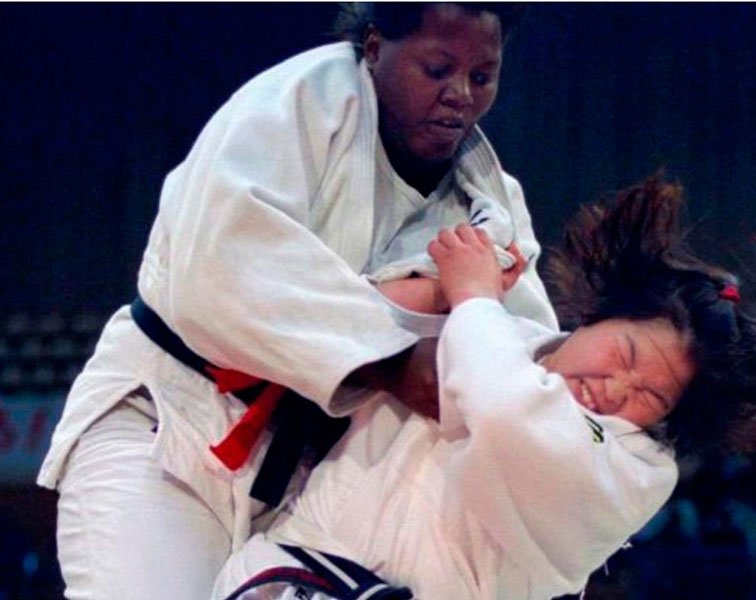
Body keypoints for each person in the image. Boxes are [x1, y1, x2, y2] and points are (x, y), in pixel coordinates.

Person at [36, 4, 559, 600]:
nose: (459, 95)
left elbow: (521, 359)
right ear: (374, 47)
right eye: (438, 69)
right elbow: (217, 267)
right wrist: (394, 355)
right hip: (170, 422)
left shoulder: (492, 203)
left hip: (307, 475)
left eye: (482, 76)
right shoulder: (298, 104)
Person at [211, 175, 756, 600]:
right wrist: (446, 292)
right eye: (626, 353)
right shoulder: (498, 336)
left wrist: (472, 295)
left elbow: (506, 414)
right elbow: (329, 327)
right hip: (286, 575)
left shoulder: (637, 467)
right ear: (597, 316)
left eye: (651, 397)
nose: (617, 389)